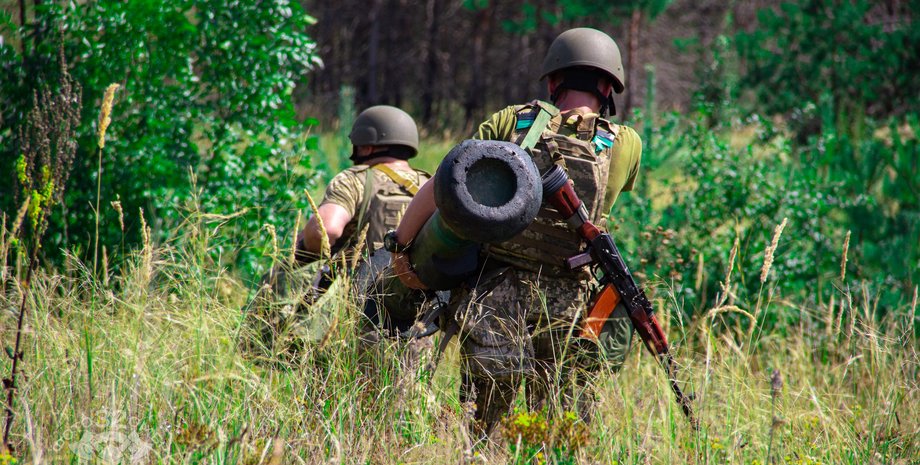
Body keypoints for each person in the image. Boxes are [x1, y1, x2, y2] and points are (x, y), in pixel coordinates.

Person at [391, 28, 643, 435]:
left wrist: (401, 246)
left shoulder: (512, 120)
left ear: (552, 80)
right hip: (568, 301)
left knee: (484, 423)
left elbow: (446, 181)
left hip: (494, 289)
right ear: (609, 86)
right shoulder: (627, 143)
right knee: (560, 427)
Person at [251, 105, 432, 355]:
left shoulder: (355, 179)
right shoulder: (430, 186)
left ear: (366, 145)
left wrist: (301, 254)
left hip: (361, 318)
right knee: (409, 390)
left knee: (337, 388)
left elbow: (325, 231)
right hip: (419, 321)